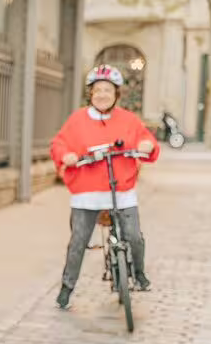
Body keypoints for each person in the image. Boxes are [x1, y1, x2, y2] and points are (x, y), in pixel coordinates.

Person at [50, 64, 160, 309]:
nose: (102, 94)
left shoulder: (128, 119)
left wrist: (147, 145)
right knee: (78, 241)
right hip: (87, 194)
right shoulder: (77, 119)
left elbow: (147, 139)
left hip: (121, 191)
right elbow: (59, 143)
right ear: (90, 93)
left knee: (134, 236)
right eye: (97, 90)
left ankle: (139, 275)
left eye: (107, 90)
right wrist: (66, 155)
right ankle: (67, 288)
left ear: (116, 94)